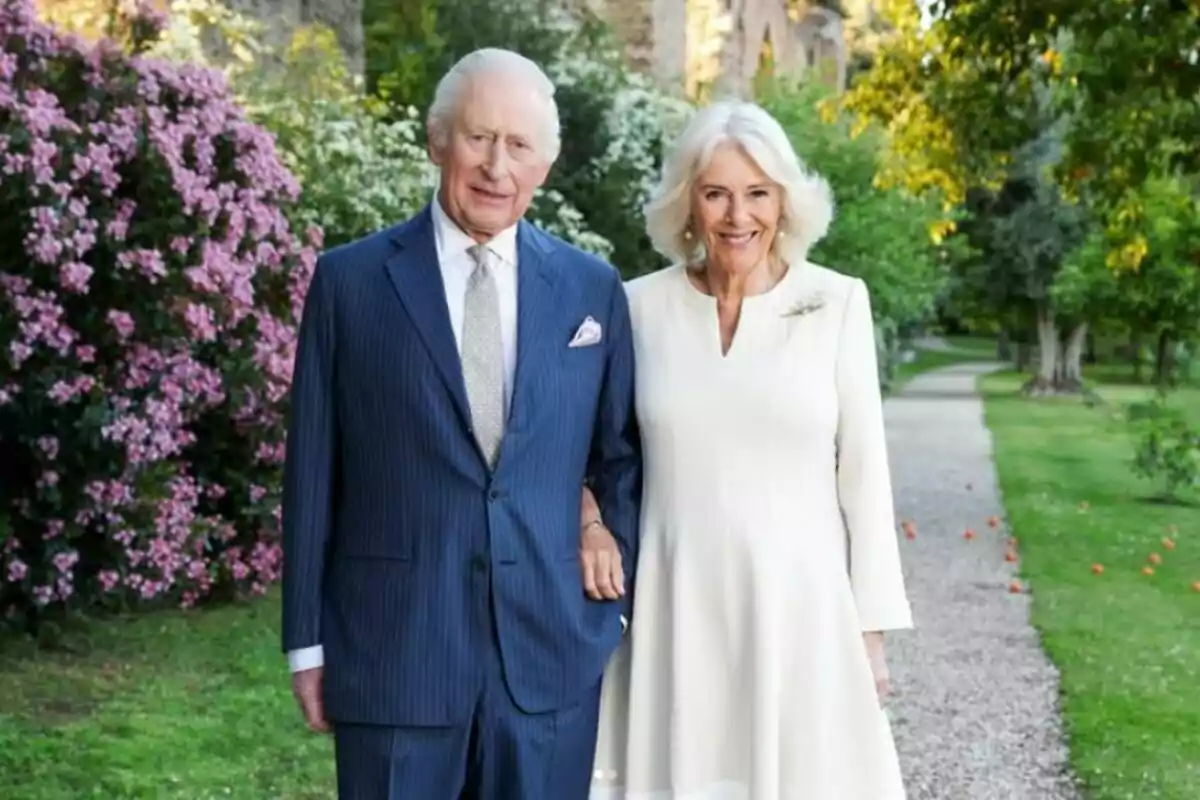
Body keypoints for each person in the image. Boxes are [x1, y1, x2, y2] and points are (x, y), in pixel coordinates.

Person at [280, 48, 641, 799]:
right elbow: (312, 474)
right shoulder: (349, 283)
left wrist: (610, 582)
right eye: (478, 138)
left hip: (548, 660)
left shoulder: (591, 290)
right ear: (437, 138)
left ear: (546, 162)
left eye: (518, 145)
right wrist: (306, 645)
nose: (495, 167)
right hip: (395, 657)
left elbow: (619, 457)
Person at [585, 100, 914, 799]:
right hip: (672, 605)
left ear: (785, 201)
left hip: (801, 607)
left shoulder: (839, 303)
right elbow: (584, 446)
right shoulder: (636, 307)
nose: (739, 216)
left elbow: (865, 477)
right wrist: (587, 522)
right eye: (716, 194)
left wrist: (872, 630)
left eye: (758, 193)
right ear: (687, 204)